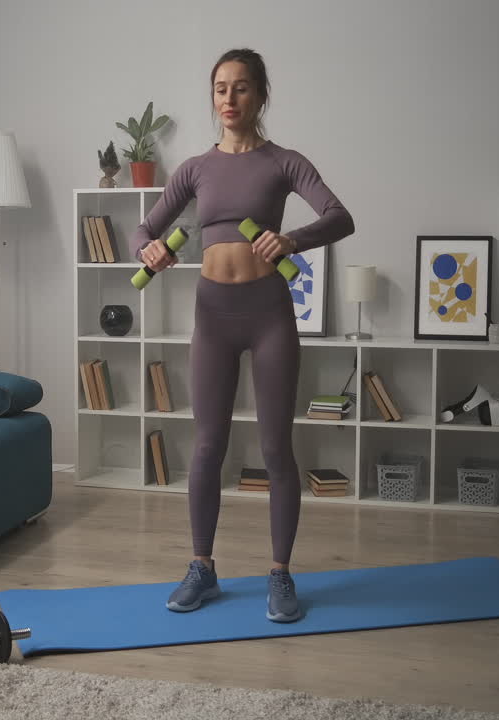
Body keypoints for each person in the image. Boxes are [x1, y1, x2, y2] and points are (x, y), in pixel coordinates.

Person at [130, 48, 355, 622]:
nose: (229, 99)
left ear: (261, 95)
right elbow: (143, 229)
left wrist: (292, 239)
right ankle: (201, 568)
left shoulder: (284, 162)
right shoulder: (195, 169)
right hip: (213, 315)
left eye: (241, 88)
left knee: (277, 447)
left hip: (269, 313)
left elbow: (339, 216)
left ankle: (280, 574)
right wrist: (148, 250)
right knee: (208, 445)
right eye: (220, 88)